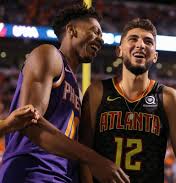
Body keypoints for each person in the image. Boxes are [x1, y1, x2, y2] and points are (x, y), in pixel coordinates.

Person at [0, 4, 129, 183]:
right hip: (33, 171)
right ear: (71, 30)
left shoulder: (73, 83)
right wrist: (95, 160)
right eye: (95, 31)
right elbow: (29, 122)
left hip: (59, 176)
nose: (101, 39)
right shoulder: (49, 54)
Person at [80, 18, 176, 183]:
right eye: (133, 39)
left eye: (148, 41)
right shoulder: (97, 91)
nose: (141, 45)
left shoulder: (168, 98)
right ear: (119, 51)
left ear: (155, 56)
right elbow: (83, 153)